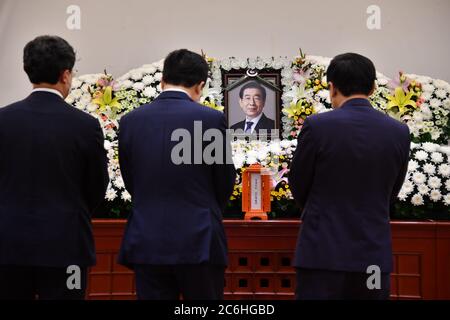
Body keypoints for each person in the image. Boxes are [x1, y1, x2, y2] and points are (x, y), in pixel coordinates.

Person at [289, 53, 411, 300]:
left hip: (321, 254)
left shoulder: (317, 126)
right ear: (374, 87)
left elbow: (298, 184)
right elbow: (392, 190)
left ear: (331, 87)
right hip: (373, 257)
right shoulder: (398, 131)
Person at [118, 49, 236, 300]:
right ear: (200, 85)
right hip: (199, 238)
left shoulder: (131, 121)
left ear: (162, 80)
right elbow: (224, 181)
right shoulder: (210, 120)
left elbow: (130, 180)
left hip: (147, 238)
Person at [0, 35, 109, 300]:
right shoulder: (85, 125)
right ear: (66, 74)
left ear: (28, 70)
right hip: (66, 247)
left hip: (8, 246)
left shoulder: (3, 120)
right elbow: (97, 185)